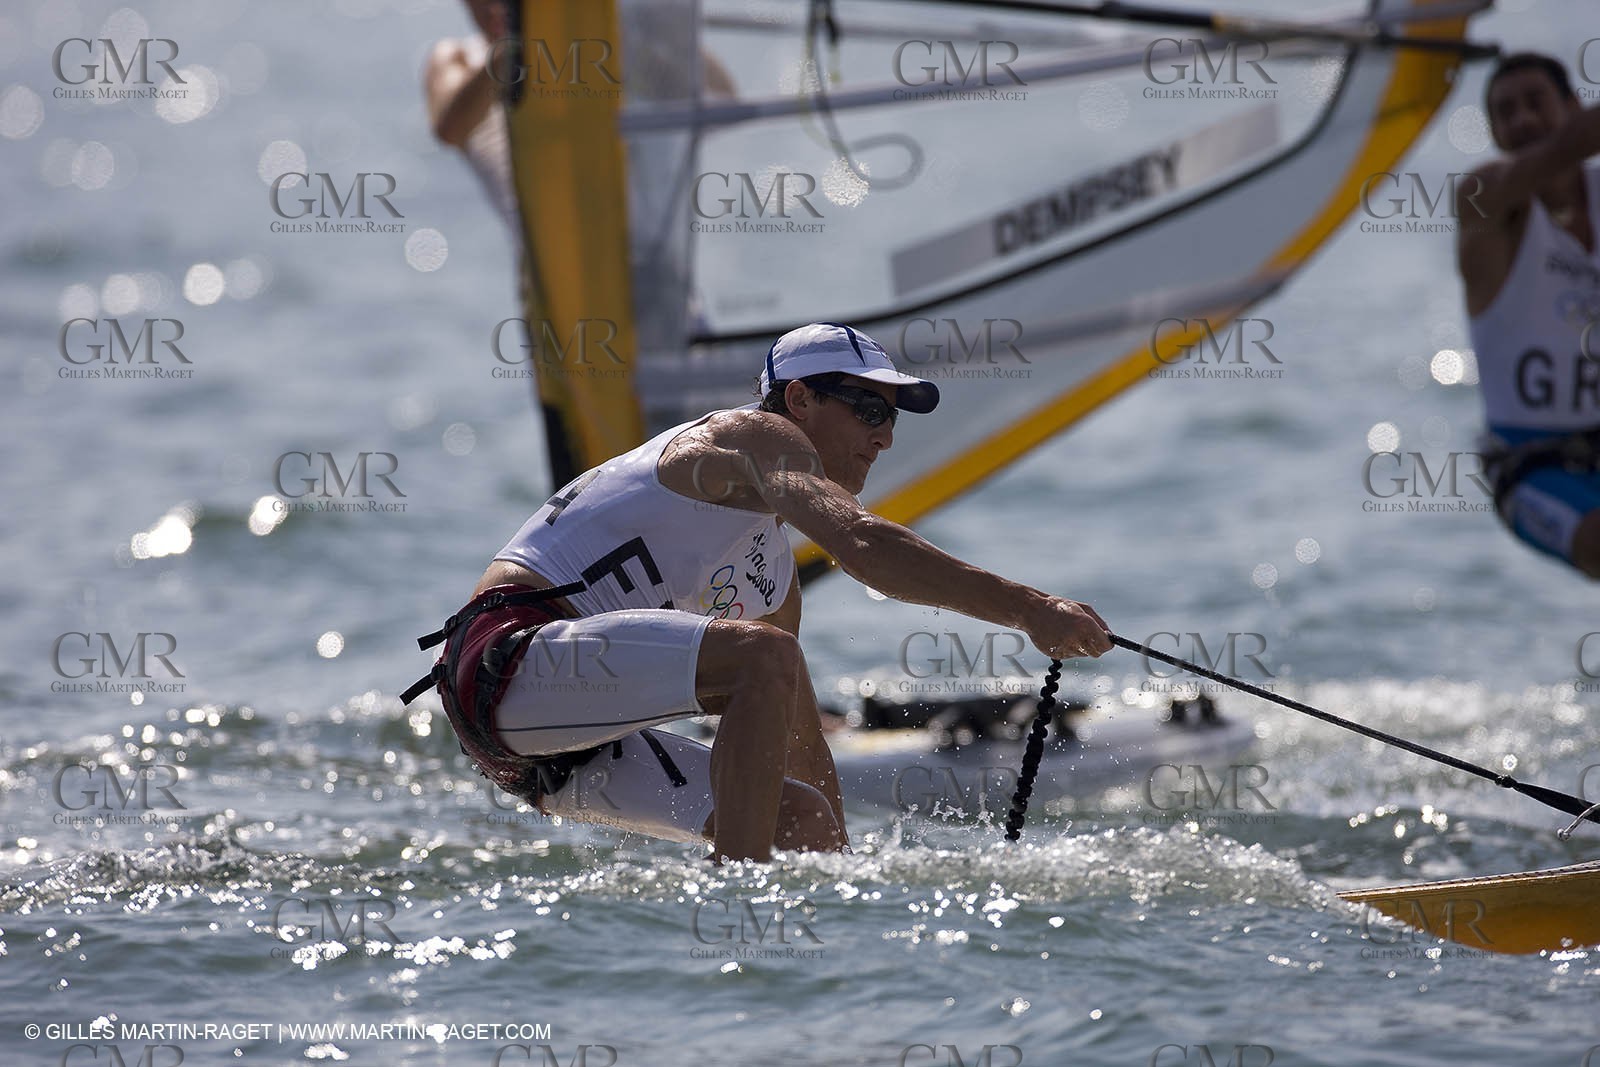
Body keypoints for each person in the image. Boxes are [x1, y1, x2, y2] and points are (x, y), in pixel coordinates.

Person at [402, 323, 1113, 862]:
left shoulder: (768, 569)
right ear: (799, 398)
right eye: (869, 408)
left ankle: (767, 967)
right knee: (763, 658)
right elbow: (865, 546)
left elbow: (797, 734)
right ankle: (738, 914)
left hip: (552, 752)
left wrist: (839, 860)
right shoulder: (755, 436)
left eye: (894, 417)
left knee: (801, 819)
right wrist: (1030, 609)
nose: (885, 436)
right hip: (502, 664)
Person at [1459, 52, 1600, 578]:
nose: (1522, 119)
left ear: (1572, 105)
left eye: (1536, 102)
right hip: (1531, 464)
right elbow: (1569, 147)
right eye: (1505, 111)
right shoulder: (1483, 201)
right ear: (1494, 134)